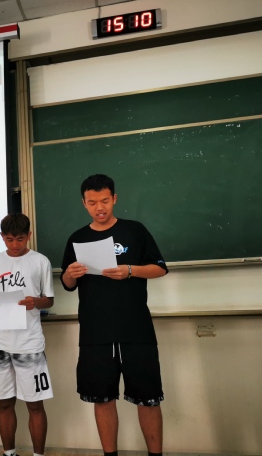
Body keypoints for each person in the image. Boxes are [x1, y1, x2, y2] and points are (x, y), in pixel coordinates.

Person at [60, 174, 168, 456]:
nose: (100, 207)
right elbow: (67, 284)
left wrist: (130, 270)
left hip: (136, 329)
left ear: (114, 199)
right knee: (102, 398)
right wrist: (70, 273)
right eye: (93, 202)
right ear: (84, 203)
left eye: (105, 201)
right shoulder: (77, 239)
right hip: (95, 332)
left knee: (148, 399)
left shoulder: (135, 230)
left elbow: (160, 268)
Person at [0, 213, 54, 456]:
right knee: (4, 403)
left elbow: (49, 300)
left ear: (28, 236)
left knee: (35, 404)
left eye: (20, 239)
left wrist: (36, 302)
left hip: (29, 344)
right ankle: (9, 453)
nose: (15, 244)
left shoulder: (40, 261)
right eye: (9, 239)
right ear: (2, 237)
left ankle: (38, 454)